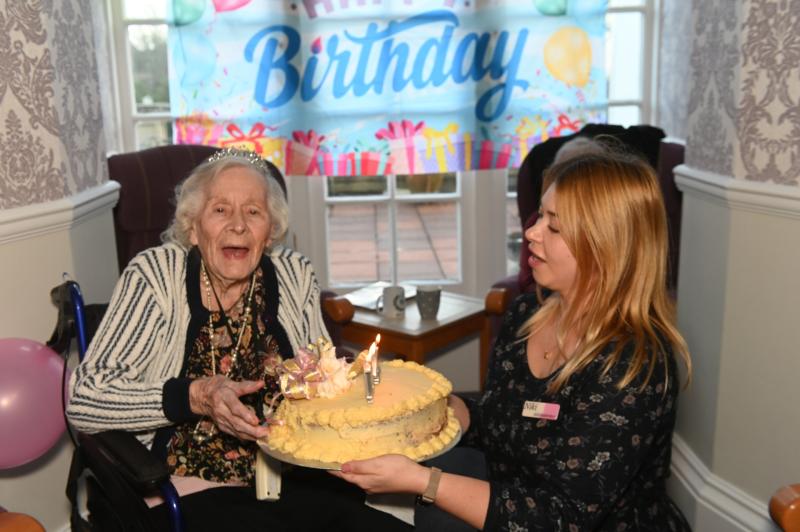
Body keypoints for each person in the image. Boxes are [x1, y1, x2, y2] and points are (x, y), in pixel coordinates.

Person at [333, 149, 693, 531]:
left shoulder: (634, 366)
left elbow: (561, 518)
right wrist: (427, 410)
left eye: (555, 227)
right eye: (540, 215)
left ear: (608, 246)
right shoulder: (526, 315)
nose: (531, 232)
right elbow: (501, 424)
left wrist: (424, 481)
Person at [67, 148, 410, 532]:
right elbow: (85, 398)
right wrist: (195, 395)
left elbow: (323, 377)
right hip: (192, 486)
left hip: (295, 475)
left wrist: (354, 392)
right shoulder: (155, 276)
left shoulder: (294, 273)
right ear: (192, 227)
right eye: (220, 210)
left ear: (271, 231)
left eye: (253, 211)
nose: (238, 226)